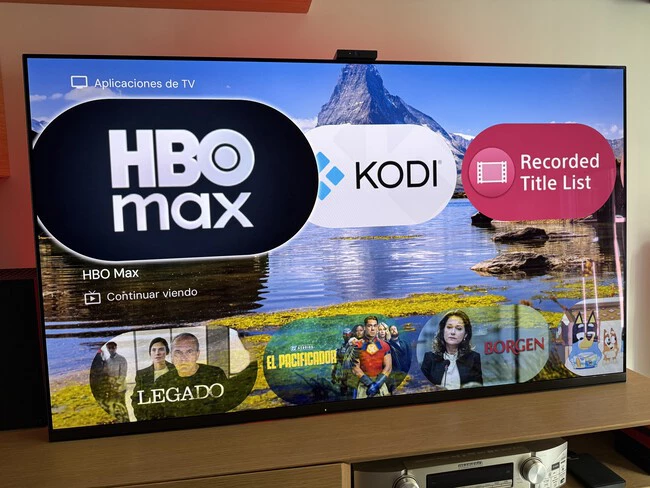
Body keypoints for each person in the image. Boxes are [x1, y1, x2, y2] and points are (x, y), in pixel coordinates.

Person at [156, 333, 229, 418]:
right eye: (178, 352)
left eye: (189, 352)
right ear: (171, 356)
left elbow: (224, 409)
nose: (183, 358)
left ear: (197, 354)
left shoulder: (215, 374)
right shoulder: (161, 382)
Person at [420, 310, 482, 390]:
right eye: (449, 327)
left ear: (465, 334)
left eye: (458, 328)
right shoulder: (430, 358)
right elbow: (421, 388)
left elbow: (478, 390)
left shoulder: (473, 357)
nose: (453, 332)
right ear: (443, 331)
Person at [130, 337, 176, 421]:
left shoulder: (177, 370)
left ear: (167, 352)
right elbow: (136, 399)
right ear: (150, 353)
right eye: (154, 350)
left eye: (161, 349)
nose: (157, 353)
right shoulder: (142, 374)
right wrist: (143, 419)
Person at [352, 316, 392, 398]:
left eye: (375, 325)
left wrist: (377, 384)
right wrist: (369, 384)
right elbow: (355, 369)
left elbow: (388, 367)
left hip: (381, 385)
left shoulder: (384, 345)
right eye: (369, 326)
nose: (372, 328)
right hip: (363, 385)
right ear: (365, 328)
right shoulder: (357, 346)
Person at [103, 341, 129, 422]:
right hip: (111, 389)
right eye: (109, 348)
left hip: (120, 388)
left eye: (112, 348)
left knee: (122, 405)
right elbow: (106, 375)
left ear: (116, 348)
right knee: (113, 406)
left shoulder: (122, 359)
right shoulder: (107, 361)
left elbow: (123, 374)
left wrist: (116, 384)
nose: (111, 350)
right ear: (107, 349)